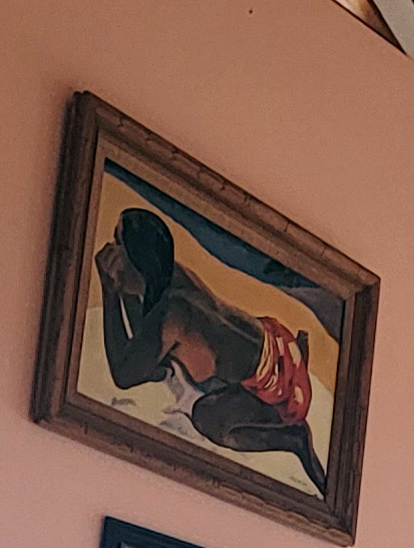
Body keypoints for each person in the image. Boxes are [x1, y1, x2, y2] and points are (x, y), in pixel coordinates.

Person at [93, 208, 326, 487]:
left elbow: (124, 374)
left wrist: (109, 289)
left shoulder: (172, 312)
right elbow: (144, 347)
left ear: (139, 258)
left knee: (208, 419)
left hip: (270, 378)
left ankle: (293, 439)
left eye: (120, 245)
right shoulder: (169, 277)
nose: (112, 253)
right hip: (273, 340)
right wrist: (122, 288)